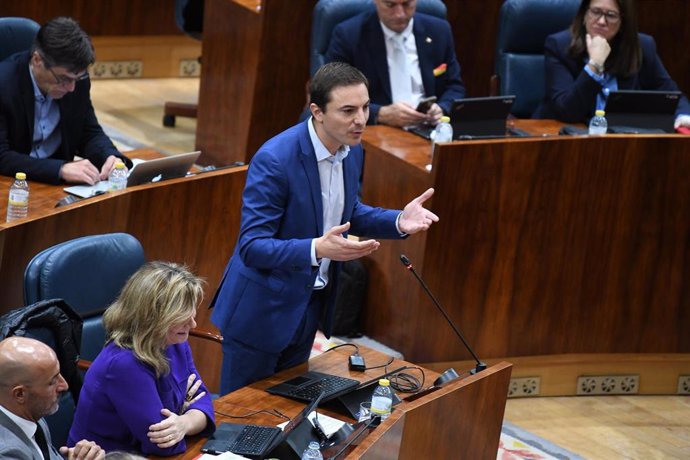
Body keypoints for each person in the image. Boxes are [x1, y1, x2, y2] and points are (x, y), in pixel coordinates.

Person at [211, 61, 439, 394]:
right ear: (317, 111)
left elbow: (347, 212)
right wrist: (316, 248)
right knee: (241, 421)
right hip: (261, 313)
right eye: (348, 111)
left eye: (364, 107)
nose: (360, 119)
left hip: (308, 307)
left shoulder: (352, 151)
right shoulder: (275, 159)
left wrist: (396, 221)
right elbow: (252, 246)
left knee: (285, 414)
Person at [67, 262, 215, 456]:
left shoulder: (175, 342)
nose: (193, 323)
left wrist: (184, 423)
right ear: (153, 317)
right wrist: (184, 411)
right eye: (182, 316)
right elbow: (164, 444)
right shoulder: (123, 365)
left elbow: (203, 401)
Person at [0, 16, 132, 185]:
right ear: (37, 60)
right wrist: (60, 169)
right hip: (11, 183)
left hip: (57, 186)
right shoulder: (4, 85)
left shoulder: (77, 80)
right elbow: (2, 156)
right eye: (63, 79)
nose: (71, 88)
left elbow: (88, 131)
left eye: (76, 78)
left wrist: (110, 156)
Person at [534, 0, 690, 127]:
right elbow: (566, 111)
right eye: (595, 12)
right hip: (566, 138)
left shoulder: (641, 47)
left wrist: (684, 115)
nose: (602, 21)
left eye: (611, 15)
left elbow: (672, 94)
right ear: (584, 14)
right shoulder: (560, 46)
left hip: (620, 140)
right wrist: (594, 65)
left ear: (623, 21)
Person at [326, 0, 465, 128]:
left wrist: (442, 108)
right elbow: (333, 92)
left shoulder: (439, 30)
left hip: (429, 129)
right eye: (390, 5)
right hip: (377, 130)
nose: (399, 14)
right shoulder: (349, 35)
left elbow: (455, 86)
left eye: (406, 4)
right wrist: (380, 113)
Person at [0, 336, 105, 460]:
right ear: (20, 394)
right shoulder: (6, 452)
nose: (64, 385)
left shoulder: (29, 414)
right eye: (52, 381)